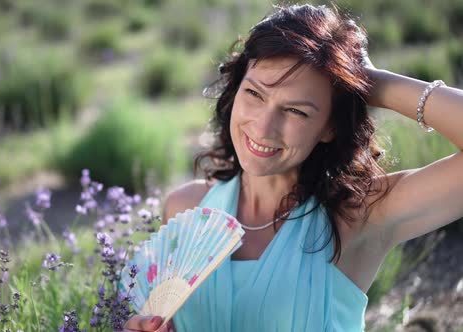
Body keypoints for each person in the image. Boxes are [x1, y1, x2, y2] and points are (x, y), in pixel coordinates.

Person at [123, 3, 463, 332]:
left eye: (296, 111)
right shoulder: (185, 209)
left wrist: (371, 83)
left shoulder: (360, 215)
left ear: (330, 127)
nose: (262, 127)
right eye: (254, 93)